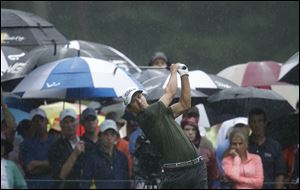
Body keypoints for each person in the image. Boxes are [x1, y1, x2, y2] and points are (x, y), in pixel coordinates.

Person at [123, 63, 207, 189]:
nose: (140, 101)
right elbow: (171, 92)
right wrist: (173, 71)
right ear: (130, 109)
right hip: (177, 174)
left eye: (140, 96)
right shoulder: (148, 115)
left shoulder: (159, 113)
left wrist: (184, 75)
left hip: (197, 168)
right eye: (135, 101)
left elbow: (185, 104)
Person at [81, 119, 130, 189]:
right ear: (100, 136)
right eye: (106, 134)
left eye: (112, 134)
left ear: (116, 137)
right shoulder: (91, 157)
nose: (109, 138)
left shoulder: (122, 158)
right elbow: (85, 183)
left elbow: (126, 183)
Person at [248, 108, 286, 189]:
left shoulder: (275, 146)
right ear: (249, 124)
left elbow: (280, 174)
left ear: (265, 123)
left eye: (260, 121)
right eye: (253, 121)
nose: (256, 125)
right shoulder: (243, 145)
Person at [48, 108, 85, 189]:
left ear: (77, 122)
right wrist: (75, 154)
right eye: (66, 122)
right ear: (61, 125)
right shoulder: (55, 148)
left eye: (72, 121)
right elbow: (60, 176)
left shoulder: (86, 143)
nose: (69, 125)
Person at [19, 108, 55, 189]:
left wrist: (36, 163)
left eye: (41, 120)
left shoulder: (56, 142)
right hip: (33, 186)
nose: (39, 123)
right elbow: (30, 169)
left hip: (53, 185)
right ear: (31, 124)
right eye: (35, 121)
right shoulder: (25, 144)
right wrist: (49, 165)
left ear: (46, 121)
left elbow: (57, 165)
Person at [181, 115, 220, 189]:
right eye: (187, 129)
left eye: (193, 129)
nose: (190, 132)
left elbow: (214, 171)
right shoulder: (177, 147)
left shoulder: (205, 148)